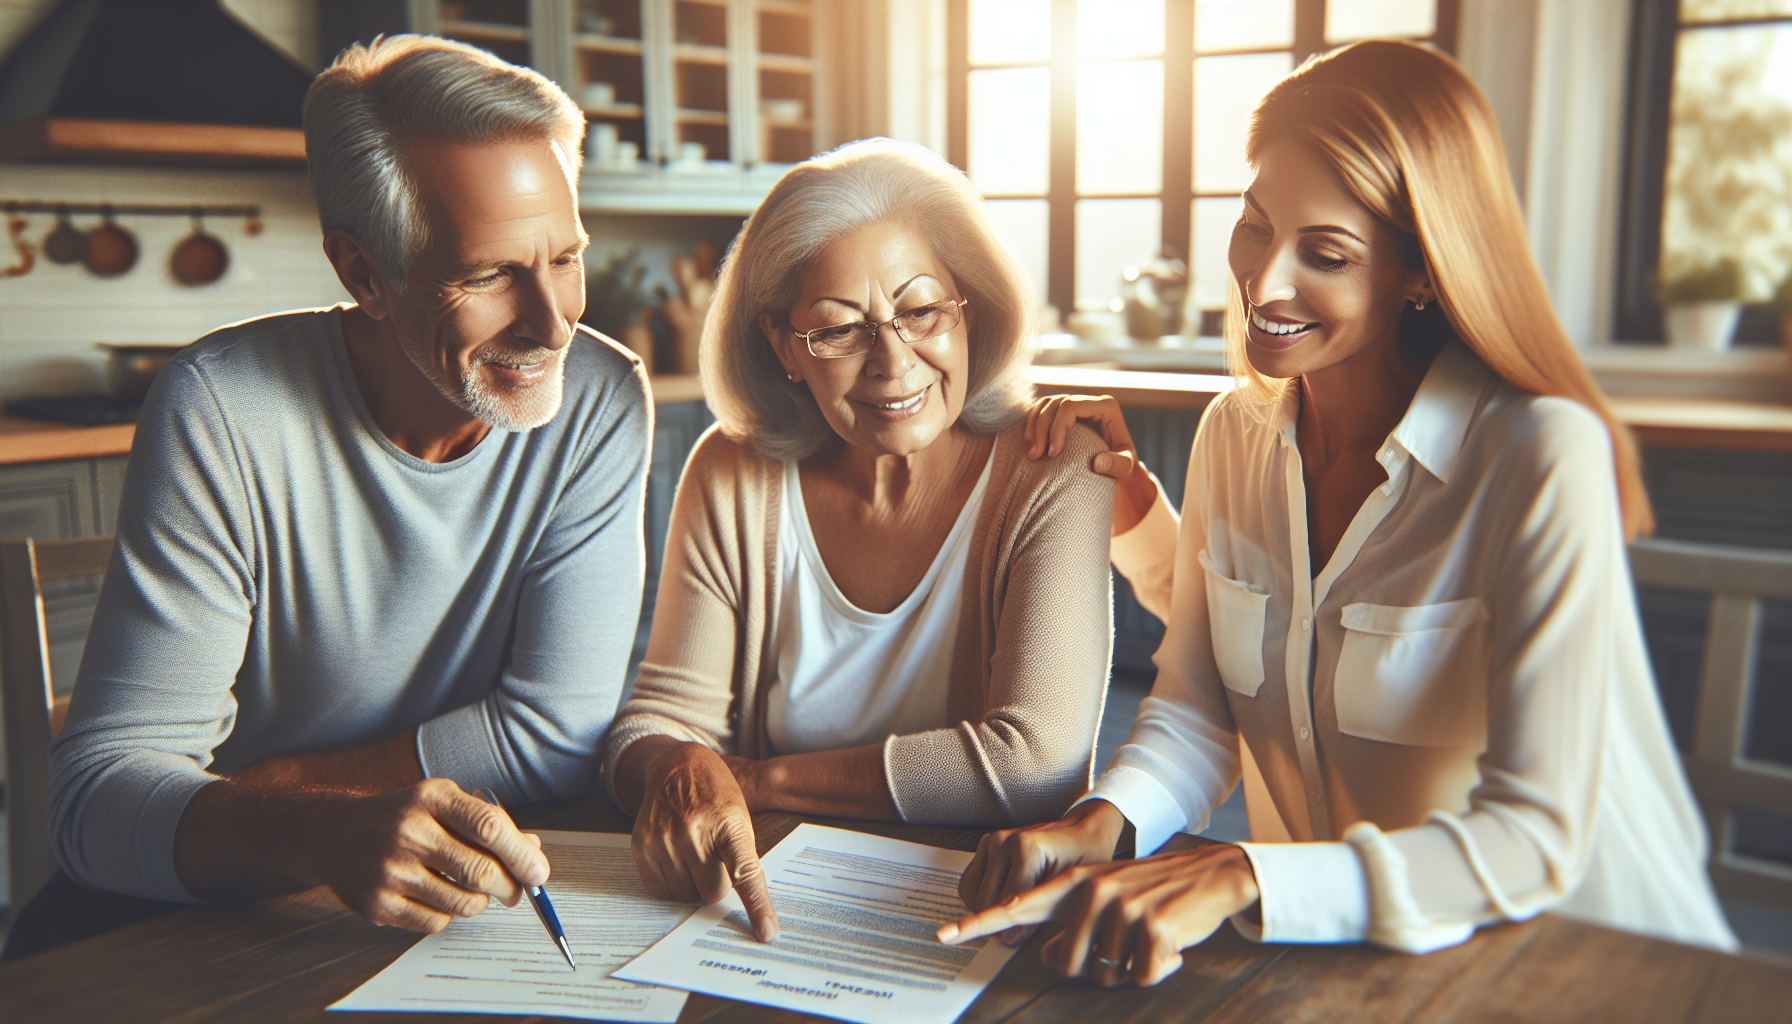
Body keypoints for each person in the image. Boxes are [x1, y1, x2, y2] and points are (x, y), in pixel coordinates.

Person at [941, 40, 1737, 986]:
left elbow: (1534, 837)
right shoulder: (1233, 435)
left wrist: (1246, 874)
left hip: (1565, 965)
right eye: (1253, 226)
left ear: (1421, 272)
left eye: (1324, 253)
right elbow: (1200, 711)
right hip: (1335, 970)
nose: (1263, 284)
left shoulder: (1537, 453)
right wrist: (1098, 826)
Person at [11, 36, 649, 961]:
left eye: (565, 257)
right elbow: (93, 803)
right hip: (236, 905)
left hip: (438, 897)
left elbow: (560, 733)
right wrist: (314, 830)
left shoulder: (600, 398)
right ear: (362, 274)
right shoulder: (224, 405)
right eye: (489, 274)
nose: (554, 323)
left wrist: (277, 791)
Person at [604, 139, 1116, 941]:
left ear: (967, 312)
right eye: (840, 330)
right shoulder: (732, 473)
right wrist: (673, 764)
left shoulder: (1059, 464)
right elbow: (657, 722)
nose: (892, 362)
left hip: (974, 910)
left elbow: (1031, 764)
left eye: (920, 312)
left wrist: (757, 779)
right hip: (761, 903)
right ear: (783, 349)